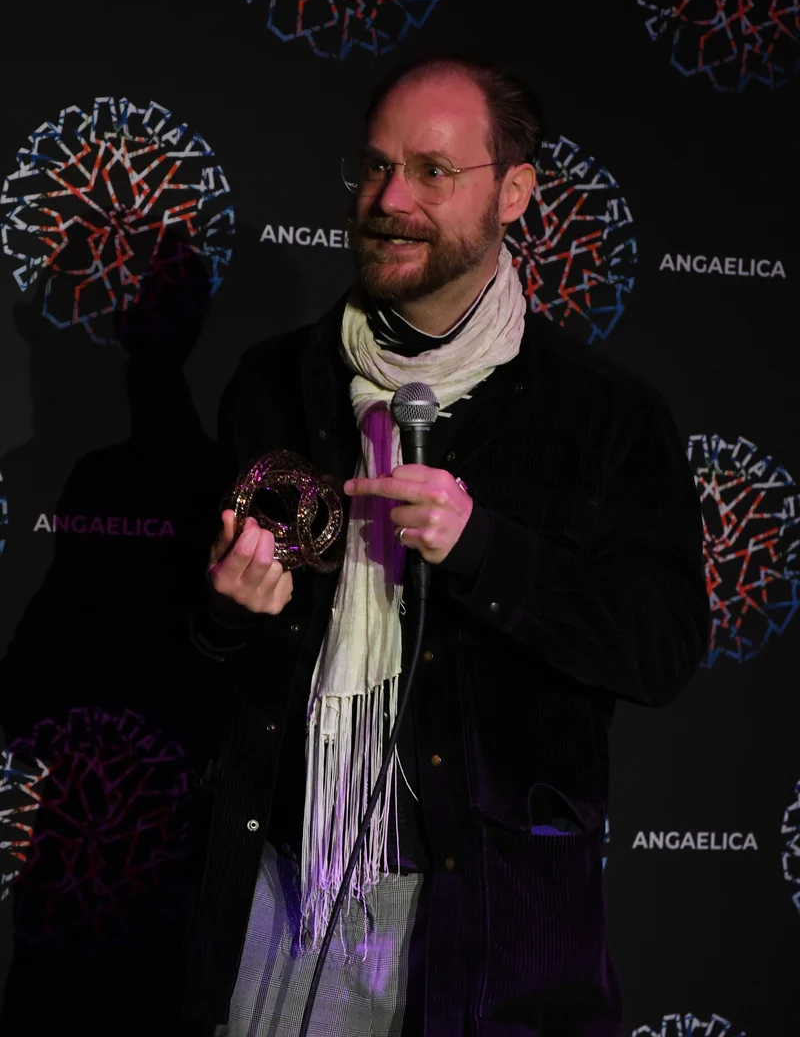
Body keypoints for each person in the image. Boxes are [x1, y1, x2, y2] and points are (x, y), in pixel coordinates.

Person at [182, 55, 709, 1037]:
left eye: (432, 171)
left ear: (513, 192)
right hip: (288, 897)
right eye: (377, 167)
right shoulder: (274, 382)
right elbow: (203, 652)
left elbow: (661, 647)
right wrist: (226, 608)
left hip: (493, 921)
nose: (390, 200)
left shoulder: (603, 414)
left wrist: (484, 551)